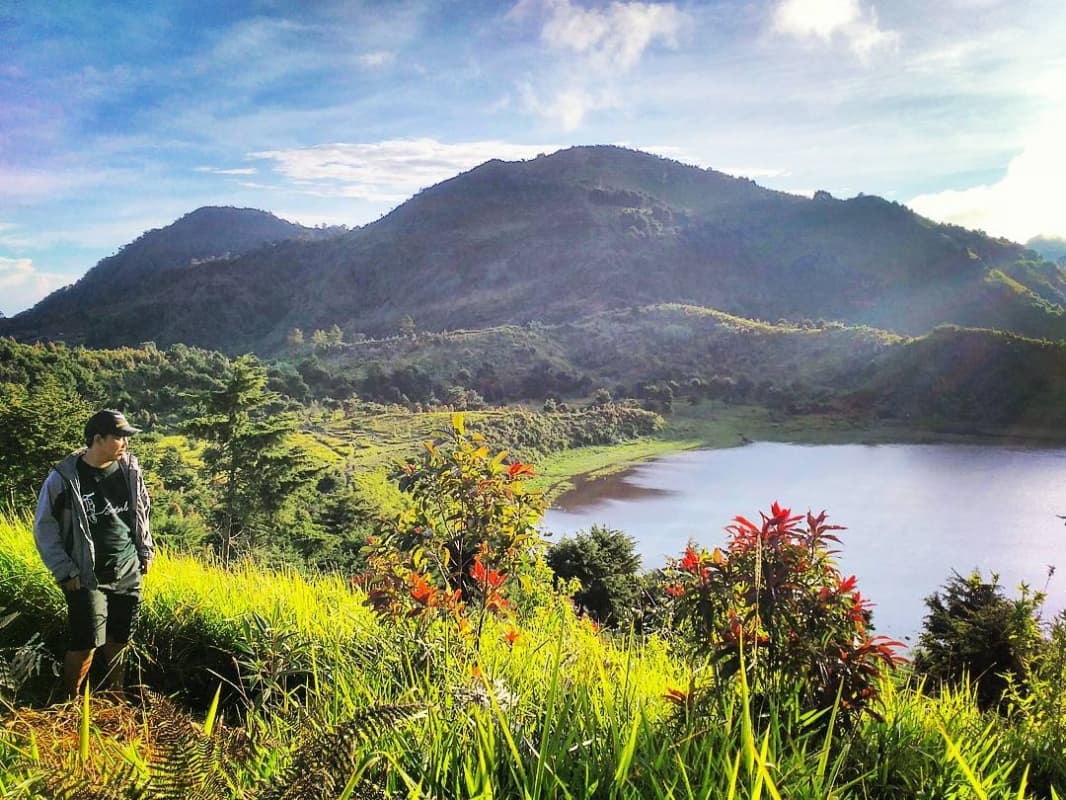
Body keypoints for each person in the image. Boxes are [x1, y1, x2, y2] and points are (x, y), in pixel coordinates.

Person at [33, 409, 154, 698]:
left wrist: (145, 551)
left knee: (120, 638)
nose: (125, 443)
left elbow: (142, 512)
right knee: (86, 641)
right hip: (86, 574)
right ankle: (70, 702)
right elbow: (44, 526)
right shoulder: (64, 478)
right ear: (97, 439)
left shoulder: (129, 470)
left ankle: (116, 696)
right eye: (119, 437)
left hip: (127, 567)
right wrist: (64, 569)